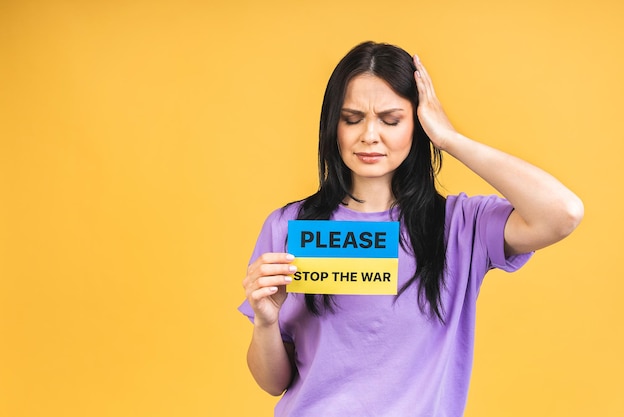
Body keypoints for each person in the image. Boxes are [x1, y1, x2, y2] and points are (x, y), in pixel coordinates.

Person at [238, 41, 583, 416]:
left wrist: (451, 140)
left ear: (418, 124)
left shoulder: (459, 226)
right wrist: (266, 320)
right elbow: (273, 382)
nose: (369, 135)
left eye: (390, 120)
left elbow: (563, 212)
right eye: (351, 118)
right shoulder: (291, 225)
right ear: (332, 124)